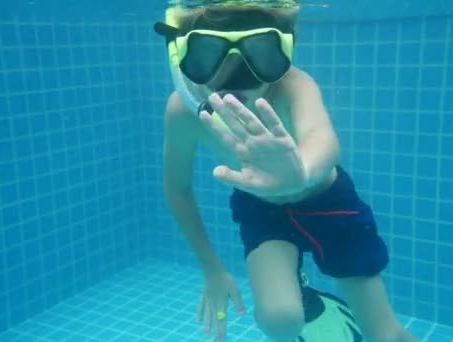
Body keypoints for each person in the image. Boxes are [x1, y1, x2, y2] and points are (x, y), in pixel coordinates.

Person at [154, 1, 418, 341]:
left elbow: (322, 137)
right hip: (262, 207)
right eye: (209, 52)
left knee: (386, 334)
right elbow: (177, 189)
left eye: (261, 52)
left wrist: (302, 171)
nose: (236, 72)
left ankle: (307, 290)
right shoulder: (183, 110)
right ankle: (301, 294)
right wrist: (211, 268)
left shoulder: (293, 84)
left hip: (327, 200)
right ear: (181, 55)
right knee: (280, 321)